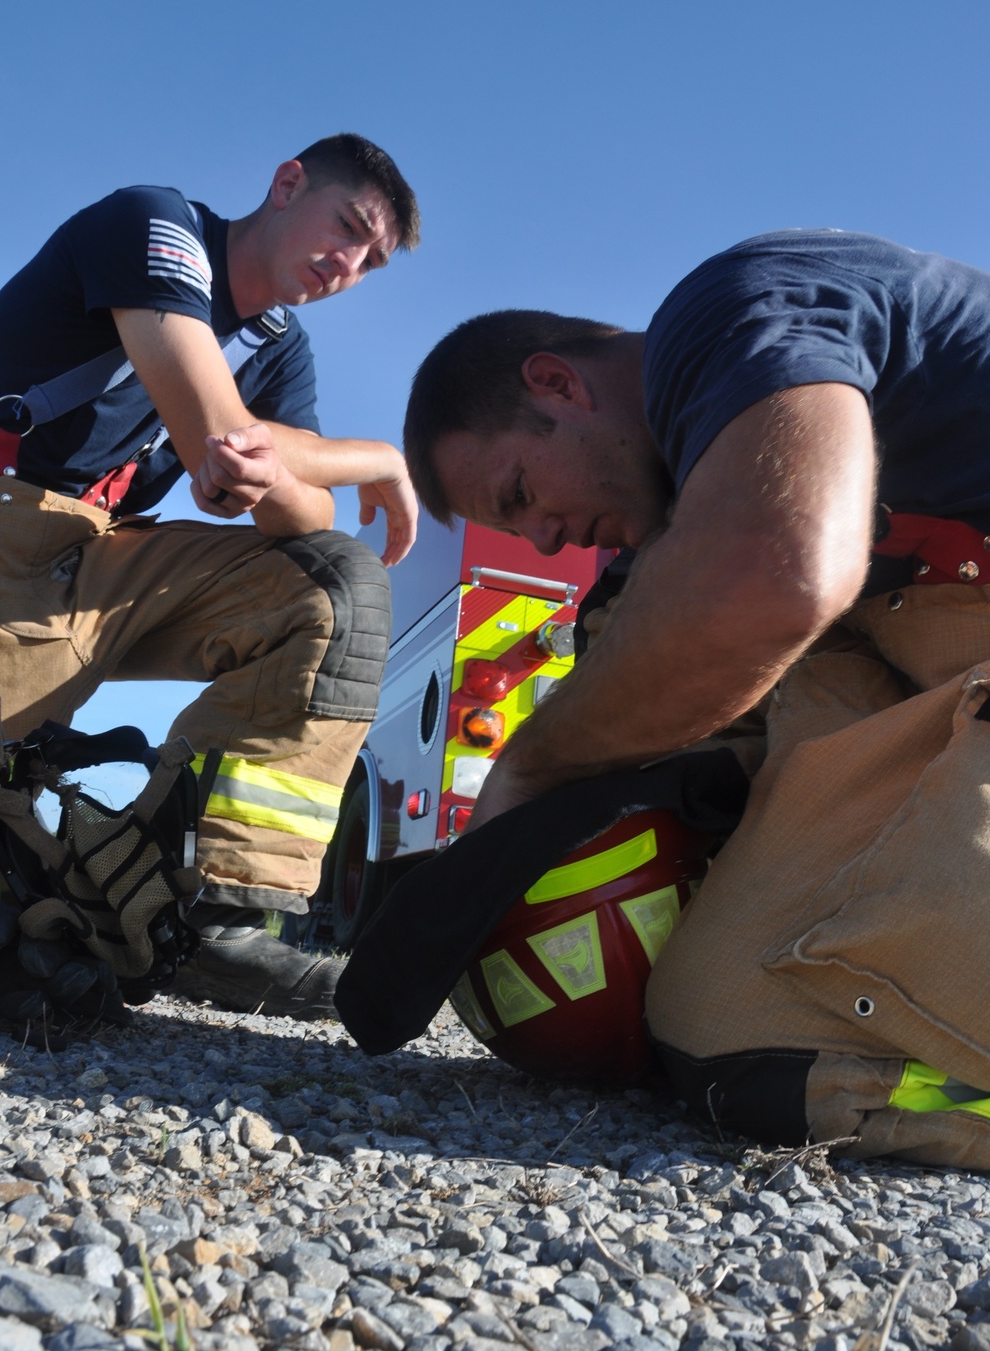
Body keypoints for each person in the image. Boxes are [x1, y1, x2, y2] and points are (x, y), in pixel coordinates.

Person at [400, 229, 990, 1167]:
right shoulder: (673, 528)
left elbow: (781, 573)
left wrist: (528, 767)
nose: (545, 542)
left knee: (746, 1037)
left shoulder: (724, 311)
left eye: (520, 494)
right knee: (726, 1026)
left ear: (557, 382)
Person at [0, 133, 420, 1018]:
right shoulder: (156, 225)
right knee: (11, 844)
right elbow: (221, 441)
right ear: (286, 182)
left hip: (110, 554)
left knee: (332, 585)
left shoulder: (278, 345)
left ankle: (205, 920)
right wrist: (371, 454)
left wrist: (278, 471)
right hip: (4, 524)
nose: (347, 264)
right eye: (346, 227)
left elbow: (302, 515)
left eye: (371, 260)